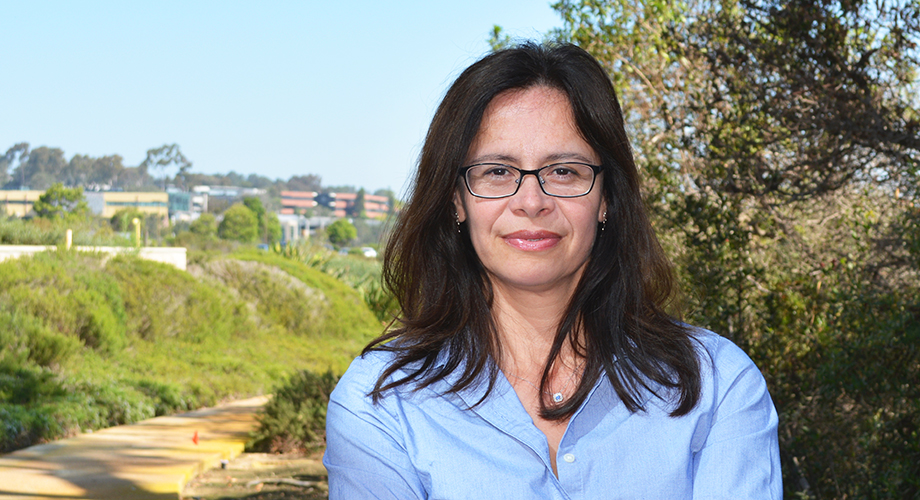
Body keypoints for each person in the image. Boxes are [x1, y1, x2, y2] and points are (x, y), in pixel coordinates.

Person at [323, 42, 782, 499]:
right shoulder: (380, 405)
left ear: (606, 198)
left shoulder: (718, 387)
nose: (531, 202)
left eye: (563, 171)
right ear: (456, 201)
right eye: (497, 172)